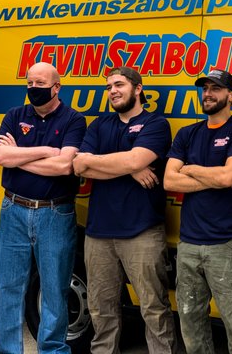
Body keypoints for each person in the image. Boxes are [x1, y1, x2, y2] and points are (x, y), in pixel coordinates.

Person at [72, 66, 177, 354]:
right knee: (101, 307)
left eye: (119, 84)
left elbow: (133, 159)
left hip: (142, 230)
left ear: (138, 88)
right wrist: (130, 168)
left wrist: (116, 162)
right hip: (98, 233)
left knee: (154, 307)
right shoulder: (99, 125)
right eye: (108, 87)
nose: (113, 91)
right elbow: (79, 165)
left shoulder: (156, 124)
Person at [0, 62, 87, 353]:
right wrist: (45, 151)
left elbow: (64, 166)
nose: (33, 89)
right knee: (9, 287)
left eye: (40, 84)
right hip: (13, 209)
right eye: (30, 83)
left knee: (55, 288)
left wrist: (17, 155)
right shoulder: (15, 115)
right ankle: (8, 350)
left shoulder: (73, 120)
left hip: (55, 213)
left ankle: (52, 350)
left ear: (56, 87)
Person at [164, 69, 232, 354]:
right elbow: (169, 181)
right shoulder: (187, 133)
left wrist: (190, 169)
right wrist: (213, 178)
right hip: (189, 245)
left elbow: (228, 178)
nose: (207, 94)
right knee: (191, 325)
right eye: (205, 89)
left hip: (226, 245)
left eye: (215, 88)